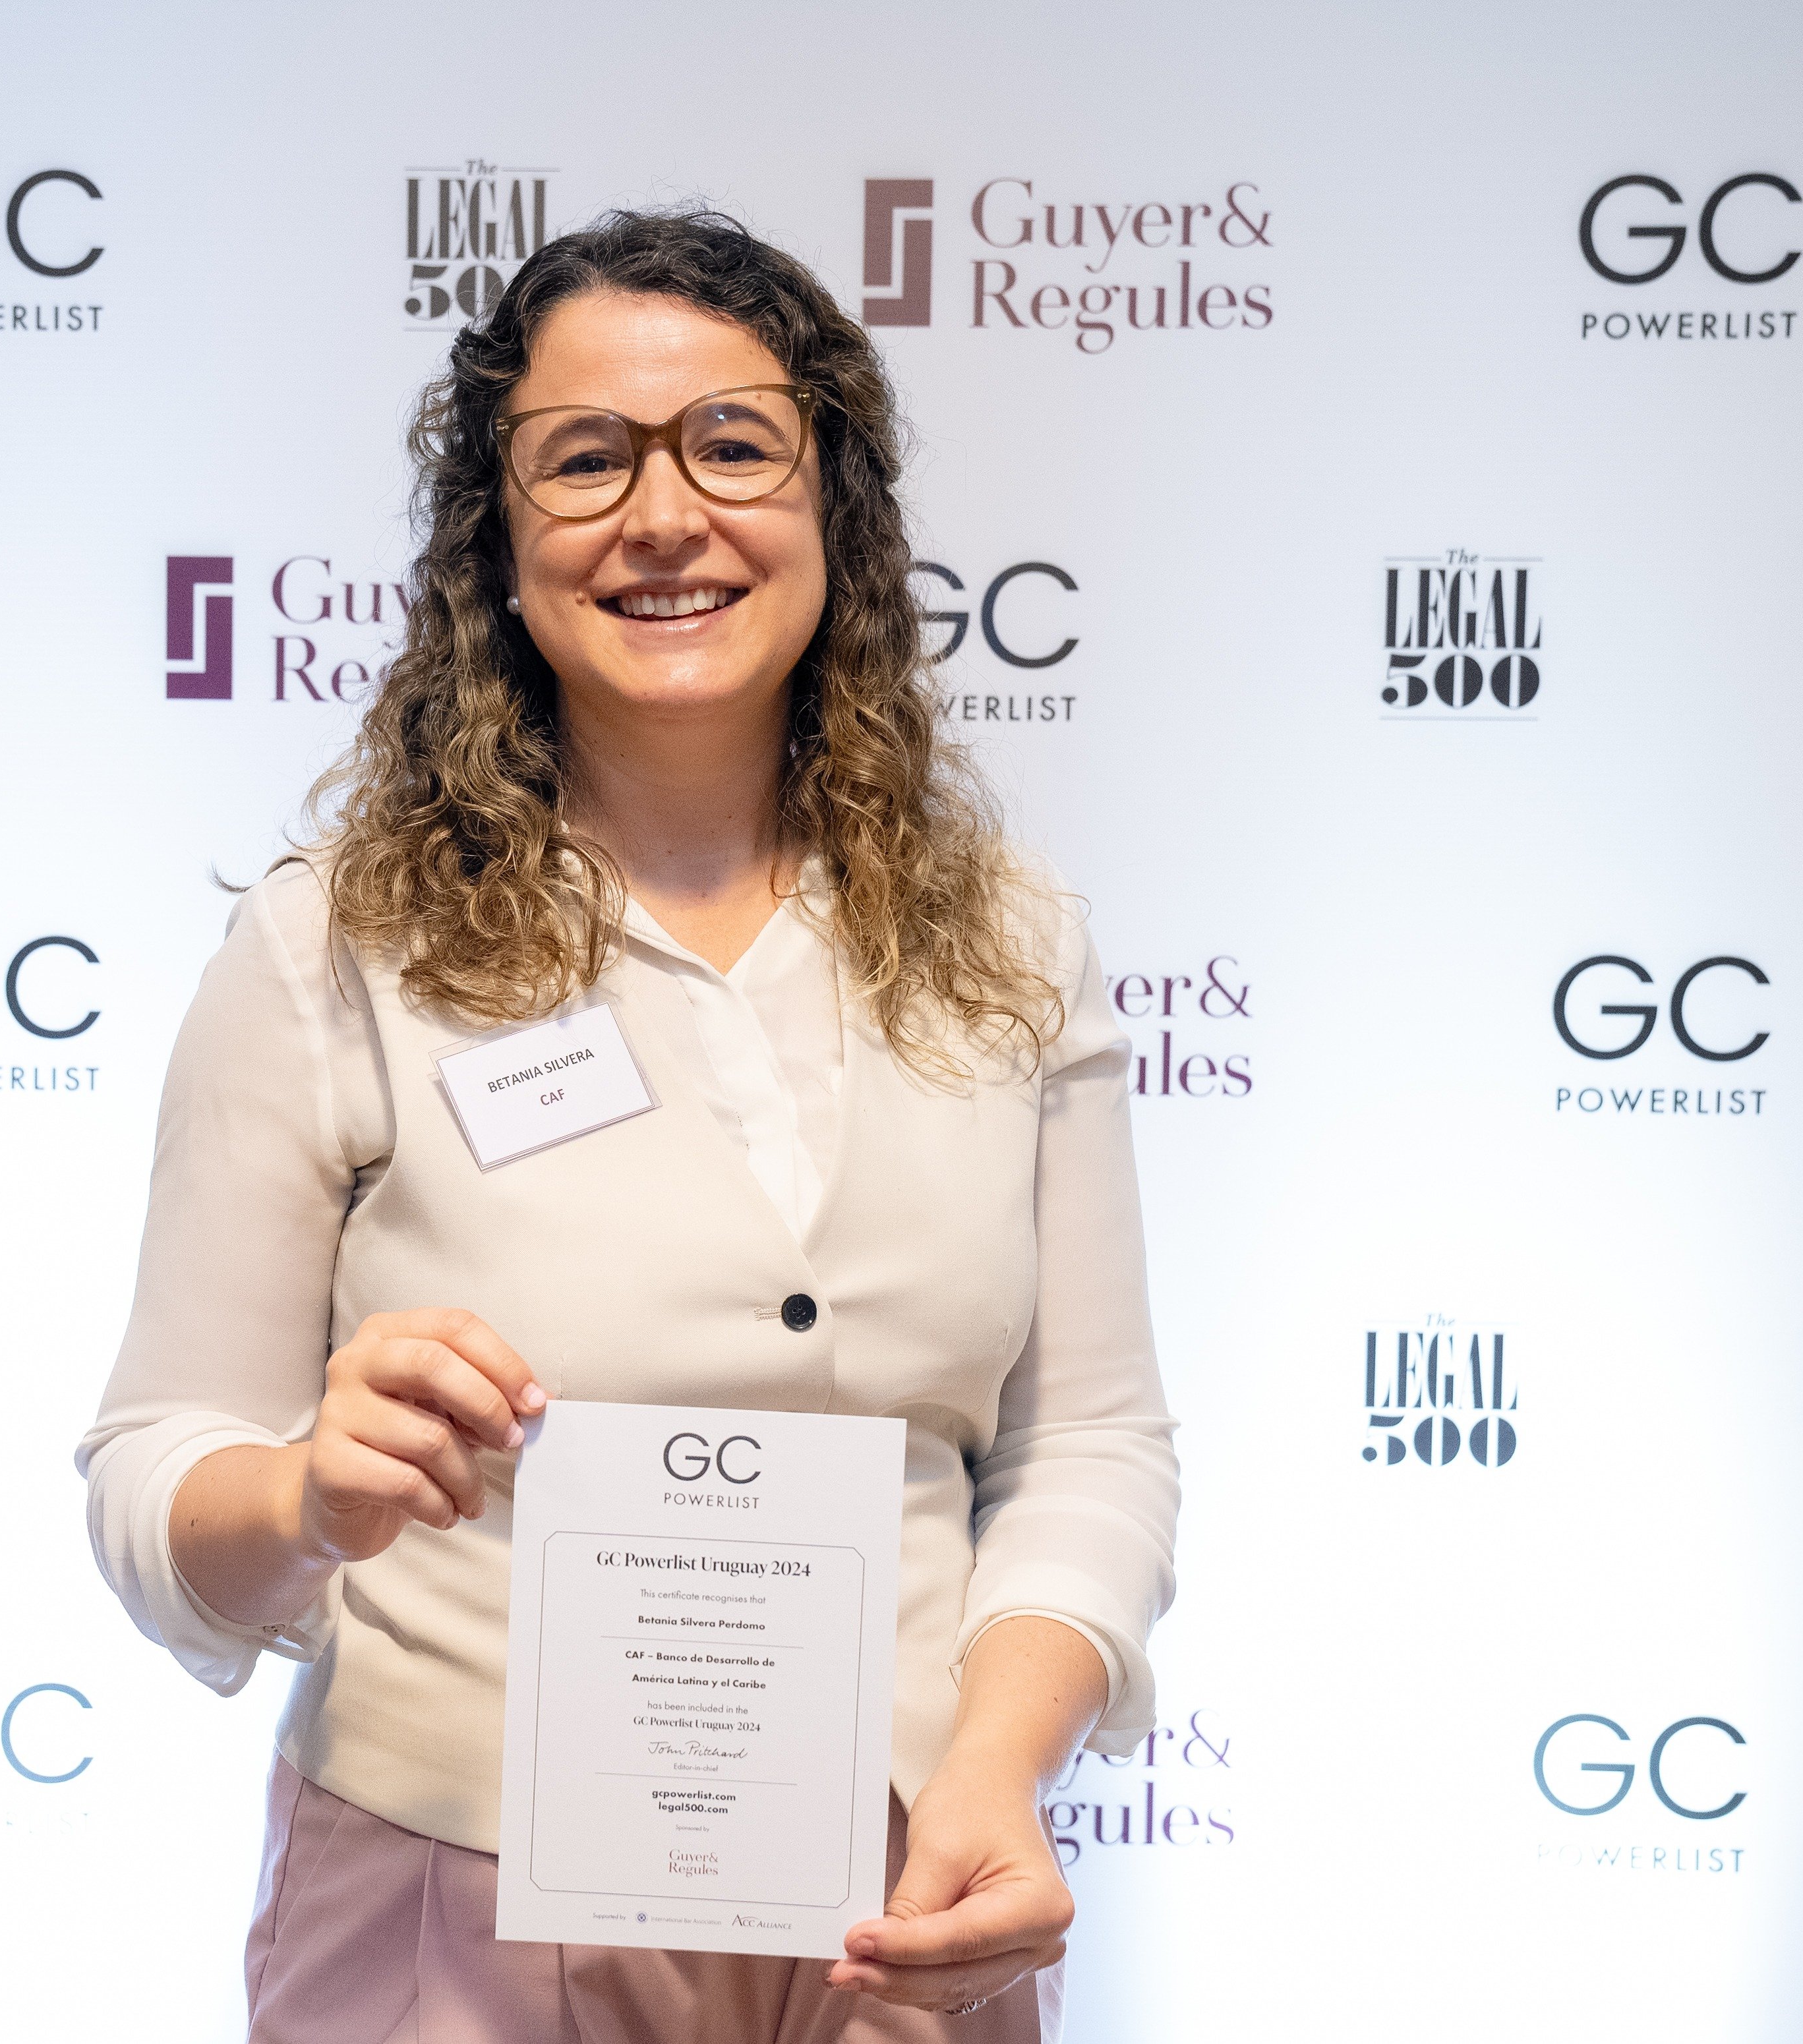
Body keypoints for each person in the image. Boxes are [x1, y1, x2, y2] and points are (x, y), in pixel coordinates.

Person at [78, 208, 1178, 2043]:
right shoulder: (332, 943)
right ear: (496, 544)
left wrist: (996, 1770)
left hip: (908, 1921)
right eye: (586, 459)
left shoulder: (1011, 942)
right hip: (456, 1920)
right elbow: (153, 1469)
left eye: (733, 445)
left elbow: (1089, 1449)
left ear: (837, 508)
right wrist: (305, 1498)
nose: (664, 515)